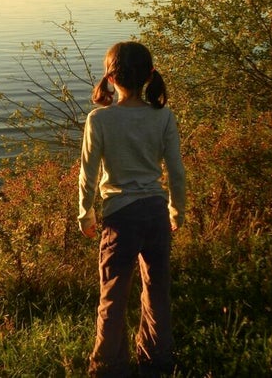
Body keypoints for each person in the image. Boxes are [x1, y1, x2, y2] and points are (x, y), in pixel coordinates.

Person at [78, 41, 186, 377]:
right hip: (155, 212)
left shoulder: (100, 119)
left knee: (113, 295)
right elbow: (177, 172)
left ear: (110, 78)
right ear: (150, 75)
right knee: (157, 291)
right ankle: (157, 362)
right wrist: (176, 211)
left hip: (119, 217)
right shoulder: (163, 116)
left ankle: (109, 368)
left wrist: (86, 214)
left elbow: (88, 174)